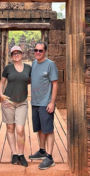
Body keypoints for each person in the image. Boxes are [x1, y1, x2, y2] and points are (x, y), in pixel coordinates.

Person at [0, 45, 32, 167]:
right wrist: (1, 95)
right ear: (11, 56)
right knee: (10, 128)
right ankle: (14, 153)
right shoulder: (8, 68)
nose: (16, 55)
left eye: (18, 53)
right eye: (14, 53)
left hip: (22, 101)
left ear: (22, 54)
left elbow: (31, 80)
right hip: (8, 101)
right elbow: (1, 83)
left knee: (20, 129)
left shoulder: (28, 68)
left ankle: (21, 154)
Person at [29, 41, 58, 170]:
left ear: (45, 51)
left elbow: (55, 84)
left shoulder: (50, 64)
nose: (38, 53)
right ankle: (42, 151)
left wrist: (52, 102)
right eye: (36, 50)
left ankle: (50, 157)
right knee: (39, 128)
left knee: (48, 129)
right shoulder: (34, 64)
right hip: (35, 102)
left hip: (46, 103)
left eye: (41, 50)